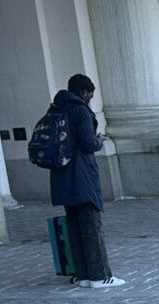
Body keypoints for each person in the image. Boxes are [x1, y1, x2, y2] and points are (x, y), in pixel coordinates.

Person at [50, 74, 124, 288]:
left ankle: (82, 275)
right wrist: (99, 140)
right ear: (83, 92)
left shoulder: (55, 108)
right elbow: (88, 144)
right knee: (91, 227)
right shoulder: (80, 111)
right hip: (81, 175)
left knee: (74, 228)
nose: (90, 100)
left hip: (61, 176)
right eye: (90, 96)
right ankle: (100, 276)